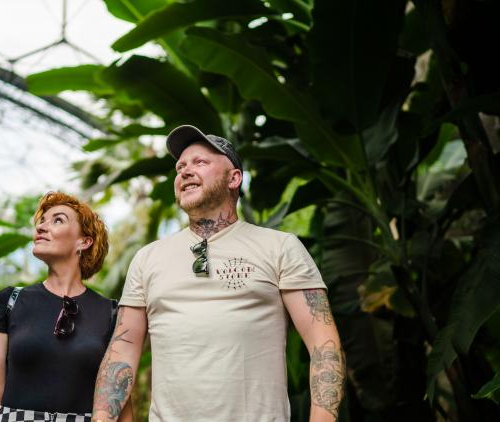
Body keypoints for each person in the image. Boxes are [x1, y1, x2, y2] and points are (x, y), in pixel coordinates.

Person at [92, 125, 346, 422]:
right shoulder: (147, 258)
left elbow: (322, 342)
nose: (185, 172)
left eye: (200, 162)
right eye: (180, 167)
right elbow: (122, 353)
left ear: (234, 178)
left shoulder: (280, 247)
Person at [0, 192, 132, 422]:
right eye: (42, 221)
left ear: (84, 241)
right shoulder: (9, 301)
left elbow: (121, 403)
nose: (41, 227)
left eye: (57, 220)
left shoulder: (112, 313)